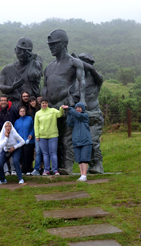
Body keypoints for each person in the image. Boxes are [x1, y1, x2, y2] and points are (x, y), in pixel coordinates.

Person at [42, 29, 86, 175]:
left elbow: (82, 82)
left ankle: (67, 166)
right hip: (51, 108)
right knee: (54, 137)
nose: (51, 48)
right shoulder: (48, 67)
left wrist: (82, 100)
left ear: (64, 44)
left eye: (54, 44)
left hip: (67, 104)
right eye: (50, 45)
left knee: (66, 138)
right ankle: (55, 167)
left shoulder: (74, 63)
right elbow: (45, 87)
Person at [76, 53, 104, 174]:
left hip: (94, 114)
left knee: (93, 141)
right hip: (82, 116)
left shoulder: (95, 78)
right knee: (83, 143)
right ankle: (88, 166)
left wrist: (89, 67)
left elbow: (99, 78)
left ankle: (97, 164)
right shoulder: (77, 78)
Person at [0, 37, 43, 109]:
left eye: (25, 51)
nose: (22, 54)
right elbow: (1, 87)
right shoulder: (6, 69)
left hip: (31, 105)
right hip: (13, 105)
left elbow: (33, 76)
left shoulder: (36, 64)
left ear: (30, 52)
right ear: (15, 50)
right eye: (20, 50)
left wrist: (32, 61)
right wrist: (12, 87)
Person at [34, 98, 66, 176]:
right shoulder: (38, 113)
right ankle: (46, 170)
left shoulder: (53, 110)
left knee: (53, 153)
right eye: (43, 103)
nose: (44, 104)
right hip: (42, 136)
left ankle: (55, 170)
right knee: (45, 154)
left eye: (45, 103)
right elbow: (36, 125)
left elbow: (59, 114)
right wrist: (37, 135)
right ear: (40, 104)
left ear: (48, 103)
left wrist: (61, 109)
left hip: (53, 135)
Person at [65, 102, 93, 182]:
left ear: (83, 109)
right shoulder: (74, 115)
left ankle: (84, 175)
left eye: (80, 108)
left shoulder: (85, 116)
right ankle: (82, 175)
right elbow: (69, 123)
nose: (78, 109)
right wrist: (69, 113)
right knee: (79, 159)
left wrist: (70, 109)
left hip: (86, 141)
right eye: (77, 108)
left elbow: (78, 115)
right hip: (76, 141)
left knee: (84, 158)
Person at [0, 95, 19, 176]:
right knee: (5, 151)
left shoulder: (13, 110)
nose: (3, 102)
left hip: (13, 135)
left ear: (7, 102)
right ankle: (7, 170)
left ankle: (13, 170)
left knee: (13, 152)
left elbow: (18, 118)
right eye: (2, 100)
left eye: (4, 100)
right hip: (3, 135)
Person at [14, 106, 35, 175]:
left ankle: (28, 170)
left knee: (28, 156)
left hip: (29, 141)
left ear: (25, 112)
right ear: (19, 112)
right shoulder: (17, 121)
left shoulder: (29, 119)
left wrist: (31, 134)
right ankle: (23, 170)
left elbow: (33, 128)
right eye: (21, 111)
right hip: (20, 142)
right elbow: (15, 132)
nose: (22, 112)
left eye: (23, 111)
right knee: (22, 156)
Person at [29, 96, 44, 176]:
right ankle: (37, 169)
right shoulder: (30, 111)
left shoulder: (40, 110)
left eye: (33, 101)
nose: (32, 102)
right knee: (38, 152)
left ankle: (42, 168)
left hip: (42, 133)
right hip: (34, 133)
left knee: (42, 152)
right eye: (30, 101)